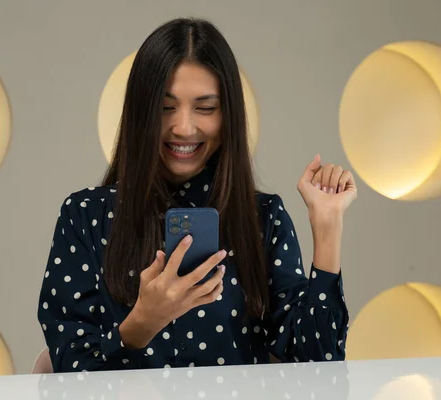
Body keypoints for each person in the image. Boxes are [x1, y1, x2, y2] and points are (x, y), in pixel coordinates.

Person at [37, 17, 357, 373]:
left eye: (205, 108)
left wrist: (327, 227)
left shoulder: (262, 217)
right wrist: (140, 324)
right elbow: (68, 368)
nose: (184, 128)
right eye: (165, 107)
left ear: (228, 115)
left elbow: (319, 363)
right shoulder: (85, 215)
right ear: (140, 112)